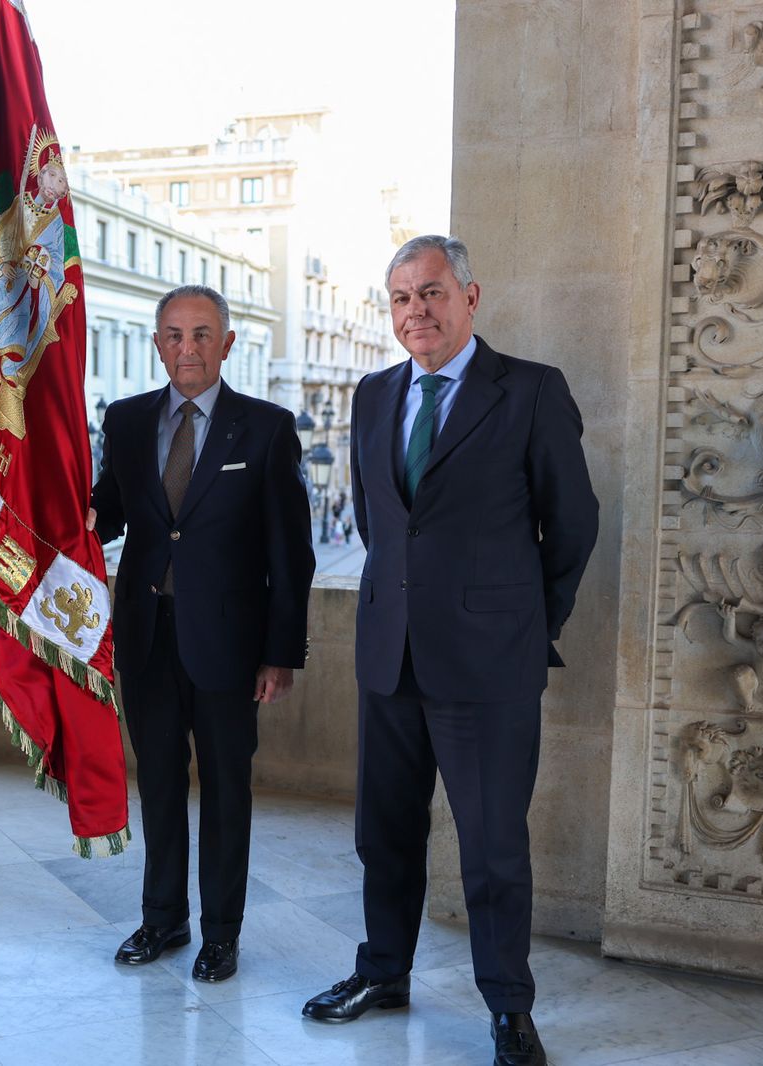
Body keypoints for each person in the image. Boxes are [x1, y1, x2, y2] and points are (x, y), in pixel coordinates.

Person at [301, 235, 597, 1066]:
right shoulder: (370, 395)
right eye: (400, 298)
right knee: (383, 835)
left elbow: (572, 526)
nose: (415, 312)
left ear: (471, 296)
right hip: (389, 656)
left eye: (431, 293)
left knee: (493, 845)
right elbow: (378, 521)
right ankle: (383, 972)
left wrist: (526, 626)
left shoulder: (530, 391)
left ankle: (508, 1008)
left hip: (489, 664)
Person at [86, 284, 314, 983]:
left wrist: (281, 653)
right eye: (175, 335)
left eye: (203, 334)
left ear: (227, 344)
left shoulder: (267, 428)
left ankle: (221, 933)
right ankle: (163, 921)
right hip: (147, 639)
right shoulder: (123, 422)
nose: (188, 348)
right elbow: (110, 513)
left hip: (230, 647)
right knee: (156, 784)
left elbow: (292, 552)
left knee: (225, 790)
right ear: (158, 344)